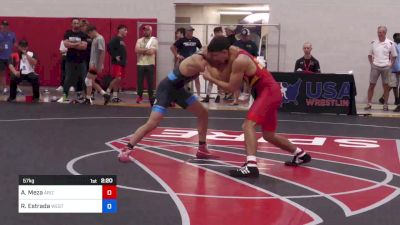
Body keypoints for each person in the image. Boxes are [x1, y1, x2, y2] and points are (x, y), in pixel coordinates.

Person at [202, 36, 312, 177]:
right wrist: (211, 62)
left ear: (224, 52)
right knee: (269, 135)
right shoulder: (233, 54)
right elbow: (224, 76)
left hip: (268, 92)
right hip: (268, 92)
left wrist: (210, 78)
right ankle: (301, 154)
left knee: (248, 125)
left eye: (216, 56)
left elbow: (230, 88)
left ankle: (251, 166)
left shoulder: (240, 60)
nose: (216, 60)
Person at [118, 51, 217, 162]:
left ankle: (202, 148)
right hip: (165, 90)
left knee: (203, 113)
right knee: (152, 123)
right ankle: (127, 148)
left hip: (178, 91)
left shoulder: (206, 59)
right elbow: (208, 72)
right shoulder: (196, 59)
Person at [365, 26, 397, 111]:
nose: (379, 34)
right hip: (375, 66)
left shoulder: (390, 43)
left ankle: (385, 104)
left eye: (381, 32)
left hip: (386, 67)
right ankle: (369, 103)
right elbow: (369, 55)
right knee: (371, 85)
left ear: (385, 33)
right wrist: (372, 64)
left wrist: (390, 65)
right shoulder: (374, 43)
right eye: (378, 32)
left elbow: (394, 56)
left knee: (386, 86)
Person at [59, 18, 88, 103]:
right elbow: (65, 44)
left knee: (84, 79)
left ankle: (87, 97)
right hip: (70, 60)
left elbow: (84, 47)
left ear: (79, 24)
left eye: (77, 23)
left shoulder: (82, 34)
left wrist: (71, 45)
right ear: (71, 24)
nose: (76, 25)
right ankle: (64, 97)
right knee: (67, 79)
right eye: (74, 23)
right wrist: (77, 44)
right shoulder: (68, 33)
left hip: (81, 61)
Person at [170, 26, 202, 96]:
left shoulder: (196, 40)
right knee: (185, 79)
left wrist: (198, 55)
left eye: (192, 31)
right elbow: (172, 47)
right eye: (190, 31)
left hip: (193, 62)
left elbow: (201, 49)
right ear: (186, 32)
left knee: (196, 79)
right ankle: (185, 95)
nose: (191, 32)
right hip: (184, 62)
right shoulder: (182, 40)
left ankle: (199, 95)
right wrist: (177, 55)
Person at [82, 25, 110, 105]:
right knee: (91, 81)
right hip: (93, 63)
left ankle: (88, 98)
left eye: (89, 34)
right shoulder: (95, 39)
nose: (89, 36)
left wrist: (100, 65)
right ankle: (105, 94)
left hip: (95, 64)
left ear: (92, 31)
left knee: (88, 80)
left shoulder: (100, 38)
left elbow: (102, 52)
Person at [135, 25, 158, 105]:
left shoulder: (154, 40)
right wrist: (146, 50)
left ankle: (151, 98)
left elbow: (151, 52)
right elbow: (136, 50)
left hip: (150, 63)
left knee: (150, 82)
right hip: (140, 63)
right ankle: (139, 96)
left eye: (147, 30)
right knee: (139, 82)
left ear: (151, 31)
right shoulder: (139, 40)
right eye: (144, 30)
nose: (145, 31)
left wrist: (141, 50)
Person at [202, 26, 224, 103]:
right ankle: (208, 96)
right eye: (217, 33)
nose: (219, 34)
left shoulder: (224, 40)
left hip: (221, 62)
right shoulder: (212, 40)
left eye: (220, 32)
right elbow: (207, 49)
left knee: (219, 79)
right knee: (210, 79)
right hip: (213, 62)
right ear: (215, 33)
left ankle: (218, 96)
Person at [107, 24, 128, 103]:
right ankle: (107, 92)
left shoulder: (121, 40)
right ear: (120, 30)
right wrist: (115, 56)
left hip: (122, 63)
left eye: (127, 30)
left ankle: (115, 96)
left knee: (119, 80)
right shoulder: (115, 39)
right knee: (117, 78)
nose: (126, 32)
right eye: (125, 30)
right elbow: (109, 47)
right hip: (117, 63)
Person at [0, 20, 16, 95]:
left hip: (9, 57)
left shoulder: (12, 34)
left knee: (13, 73)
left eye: (6, 25)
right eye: (3, 25)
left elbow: (15, 43)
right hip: (1, 58)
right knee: (2, 73)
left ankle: (13, 88)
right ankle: (4, 88)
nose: (5, 26)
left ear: (8, 26)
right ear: (1, 26)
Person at [392, 33, 400, 112]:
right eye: (397, 37)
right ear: (394, 38)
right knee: (394, 85)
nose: (399, 38)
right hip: (394, 68)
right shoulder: (392, 45)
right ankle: (397, 99)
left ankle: (399, 104)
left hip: (398, 68)